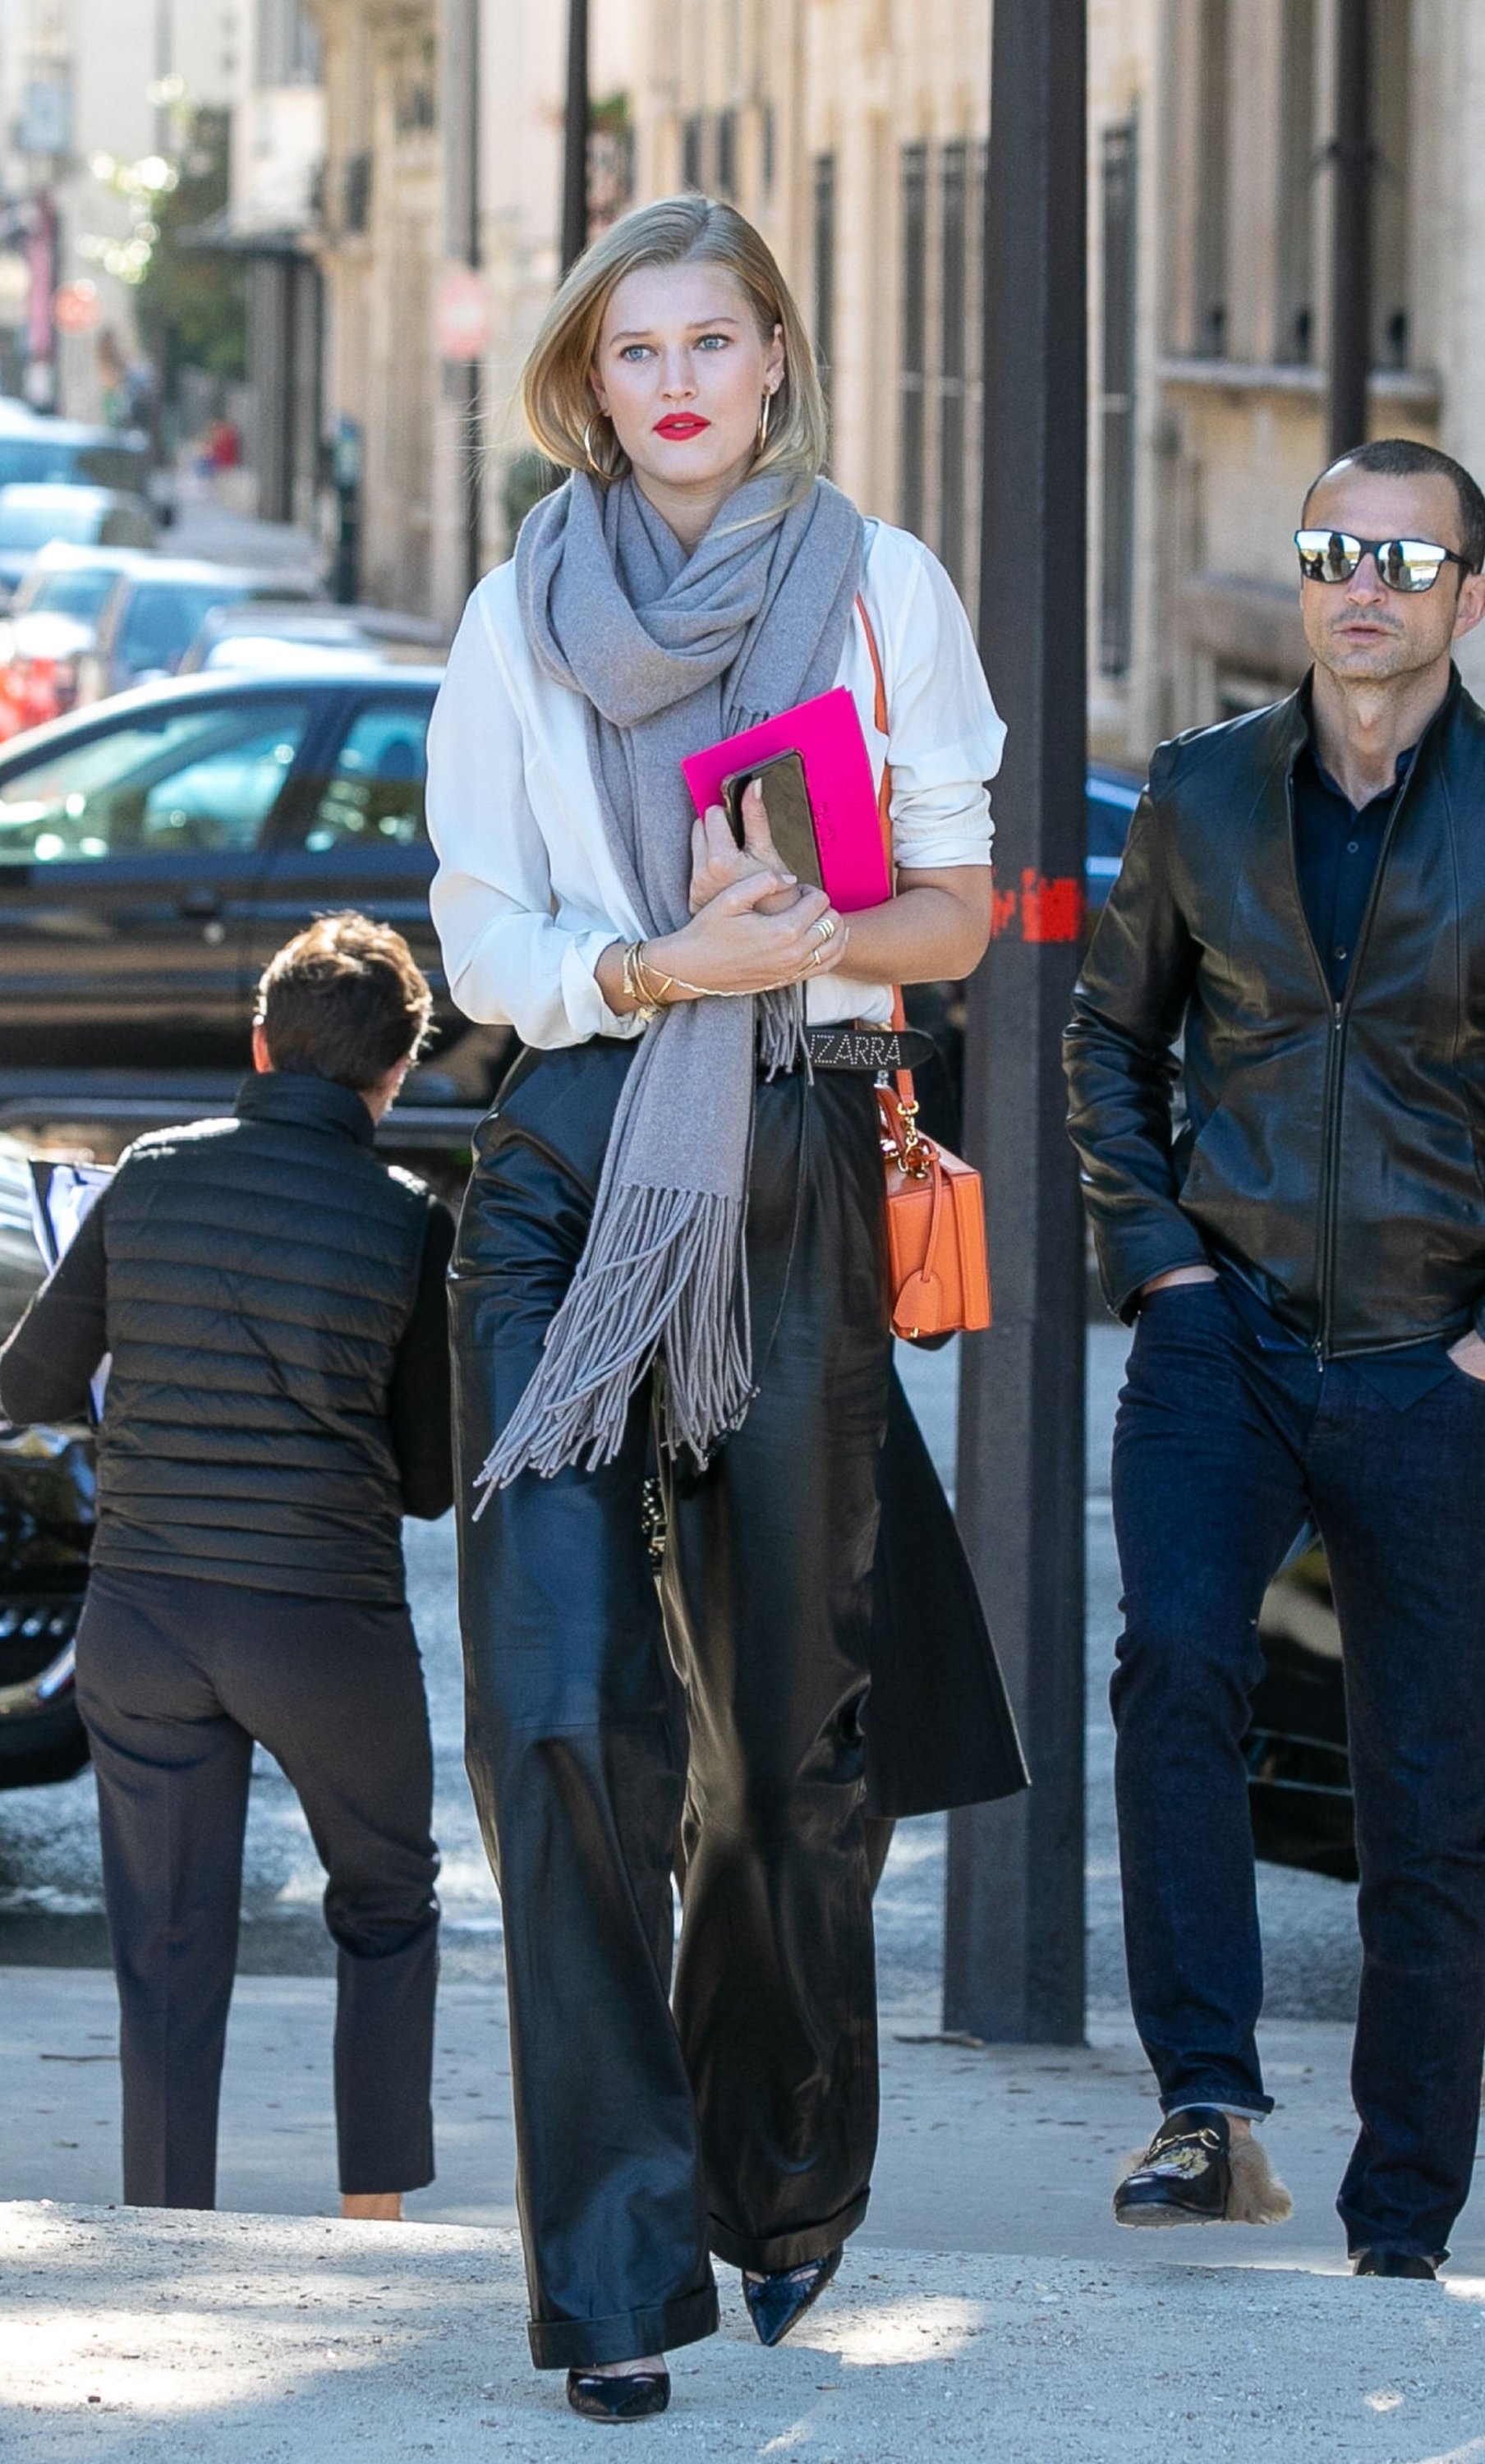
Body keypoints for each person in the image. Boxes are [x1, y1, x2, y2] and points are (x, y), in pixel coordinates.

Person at [425, 193, 1002, 2420]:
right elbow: (483, 937)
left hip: (796, 1163)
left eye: (712, 340)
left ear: (775, 359)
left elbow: (958, 901)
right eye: (632, 349)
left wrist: (829, 934)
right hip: (570, 1172)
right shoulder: (513, 615)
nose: (673, 381)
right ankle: (612, 2273)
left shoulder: (884, 587)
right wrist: (672, 962)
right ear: (592, 383)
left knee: (782, 1754)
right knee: (562, 1719)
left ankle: (780, 2179)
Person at [1065, 438, 1485, 2279]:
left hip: (1429, 1362)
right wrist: (1152, 1262)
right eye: (1334, 549)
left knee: (1430, 1799)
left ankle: (1398, 2228)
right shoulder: (1198, 793)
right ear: (1303, 578)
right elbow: (1104, 1044)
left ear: (1466, 594)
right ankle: (1207, 2104)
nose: (1363, 583)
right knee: (1170, 1663)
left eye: (1404, 556)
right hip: (1218, 1336)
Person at [0, 914, 454, 2221]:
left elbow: (28, 1378)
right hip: (322, 1626)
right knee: (385, 1900)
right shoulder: (407, 1219)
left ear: (260, 1039)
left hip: (143, 1621)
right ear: (397, 1071)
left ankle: (165, 2226)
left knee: (167, 1940)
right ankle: (373, 2217)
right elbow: (426, 1482)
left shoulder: (144, 1176)